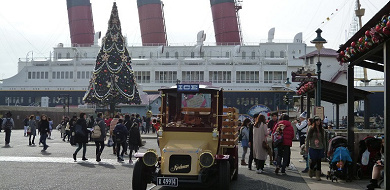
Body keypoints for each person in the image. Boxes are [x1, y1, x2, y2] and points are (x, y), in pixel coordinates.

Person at [306, 116, 326, 181]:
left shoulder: (322, 130)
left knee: (319, 161)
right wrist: (306, 146)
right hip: (312, 146)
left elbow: (323, 139)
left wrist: (325, 147)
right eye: (317, 121)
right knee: (313, 160)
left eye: (319, 121)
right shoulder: (311, 129)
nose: (318, 122)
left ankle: (318, 175)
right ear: (314, 122)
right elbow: (307, 138)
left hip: (320, 147)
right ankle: (311, 169)